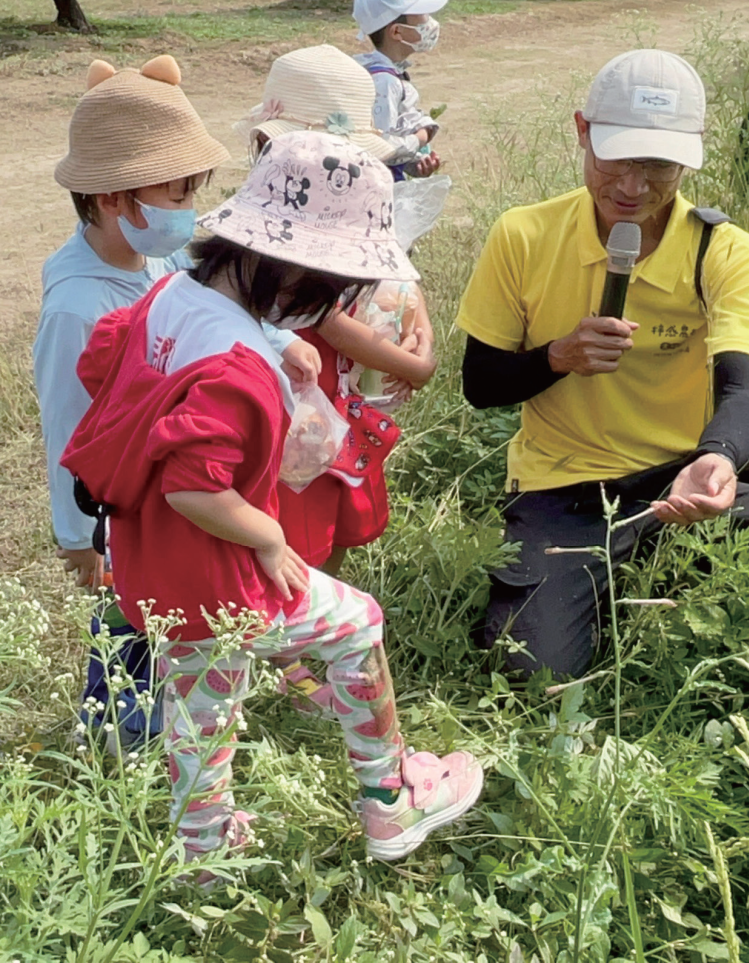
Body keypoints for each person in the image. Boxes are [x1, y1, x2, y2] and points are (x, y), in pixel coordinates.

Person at [62, 130, 483, 868]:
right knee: (358, 624)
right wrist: (265, 534)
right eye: (335, 292)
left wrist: (270, 340)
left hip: (150, 563)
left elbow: (105, 358)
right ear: (296, 278)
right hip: (219, 568)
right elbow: (194, 486)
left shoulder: (168, 293)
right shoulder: (236, 373)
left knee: (202, 696)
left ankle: (204, 844)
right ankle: (391, 803)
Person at [456, 50, 749, 680]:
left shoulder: (726, 251)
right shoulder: (523, 235)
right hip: (565, 486)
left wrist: (718, 458)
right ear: (582, 130)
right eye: (617, 156)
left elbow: (742, 389)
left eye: (659, 164)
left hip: (681, 475)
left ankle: (653, 554)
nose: (633, 187)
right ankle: (597, 570)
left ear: (690, 156)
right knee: (532, 674)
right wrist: (557, 356)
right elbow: (481, 386)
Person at [33, 55, 318, 751]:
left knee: (177, 625)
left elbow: (207, 306)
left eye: (196, 188)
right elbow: (68, 428)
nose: (189, 207)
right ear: (113, 199)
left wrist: (278, 339)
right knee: (130, 636)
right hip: (125, 510)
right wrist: (81, 540)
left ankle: (180, 732)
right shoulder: (78, 305)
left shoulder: (154, 259)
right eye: (175, 191)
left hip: (178, 487)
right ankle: (114, 749)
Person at [237, 45, 438, 581]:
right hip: (296, 411)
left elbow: (398, 268)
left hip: (341, 405)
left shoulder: (350, 206)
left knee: (332, 531)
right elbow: (320, 314)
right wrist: (414, 364)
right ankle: (291, 652)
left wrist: (418, 328)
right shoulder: (275, 227)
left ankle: (319, 635)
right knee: (292, 538)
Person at [352, 0, 451, 181]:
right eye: (422, 15)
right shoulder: (384, 83)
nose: (430, 22)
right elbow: (379, 146)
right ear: (397, 32)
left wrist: (414, 164)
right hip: (377, 188)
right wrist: (421, 137)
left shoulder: (380, 71)